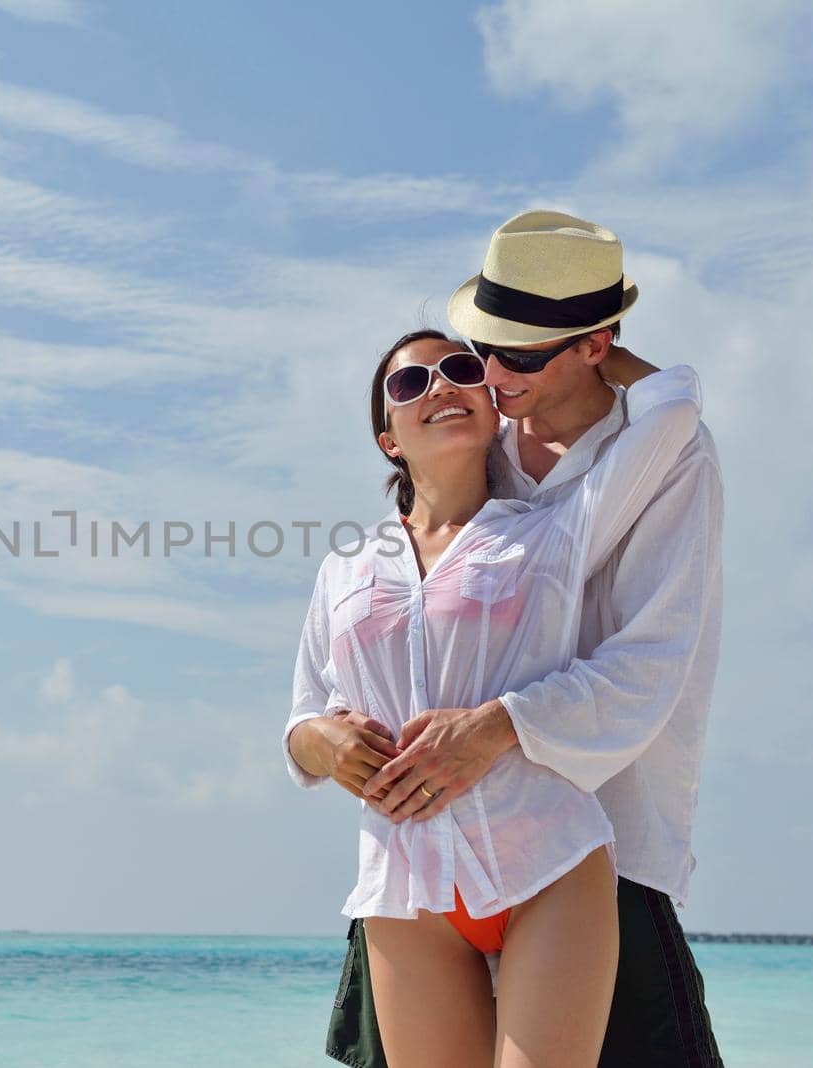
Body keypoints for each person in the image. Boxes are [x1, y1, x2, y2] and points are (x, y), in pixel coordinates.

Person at [291, 211, 725, 1066]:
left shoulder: (639, 475)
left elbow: (649, 667)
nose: (484, 376)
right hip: (415, 859)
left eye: (514, 355)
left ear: (595, 345)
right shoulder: (433, 493)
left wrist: (493, 727)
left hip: (596, 842)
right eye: (479, 345)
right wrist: (325, 741)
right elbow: (345, 673)